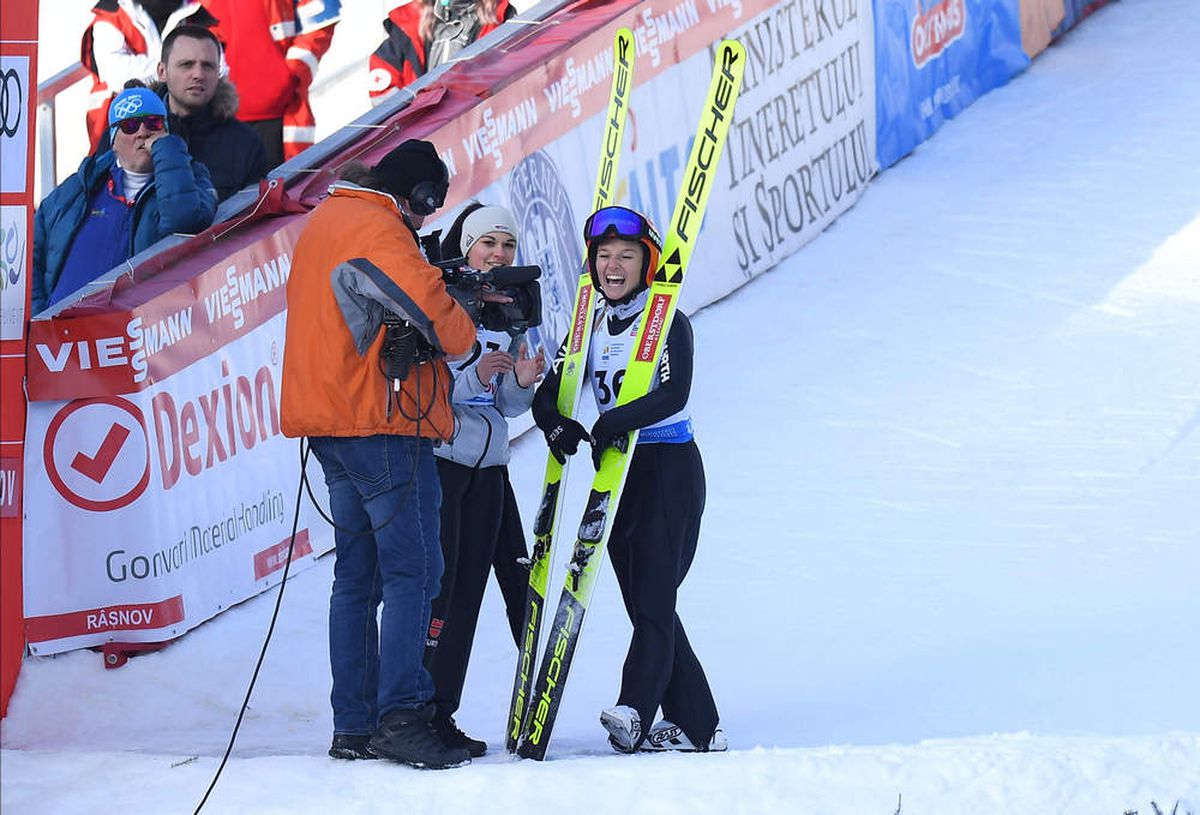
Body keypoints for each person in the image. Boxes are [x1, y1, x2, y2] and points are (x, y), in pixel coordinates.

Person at [280, 139, 481, 770]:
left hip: (334, 424)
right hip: (380, 422)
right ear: (416, 195)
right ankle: (403, 715)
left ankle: (356, 724)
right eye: (425, 211)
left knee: (357, 578)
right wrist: (465, 320)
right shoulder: (375, 226)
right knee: (413, 571)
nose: (422, 224)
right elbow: (442, 322)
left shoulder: (329, 218)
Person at [531, 205, 726, 754]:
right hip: (616, 476)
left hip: (668, 468)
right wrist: (557, 425)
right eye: (604, 256)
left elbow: (673, 392)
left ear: (648, 263)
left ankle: (635, 709)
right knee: (647, 603)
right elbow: (551, 391)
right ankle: (700, 726)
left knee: (655, 598)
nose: (613, 266)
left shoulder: (666, 323)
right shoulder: (587, 324)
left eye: (627, 256)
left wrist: (613, 419)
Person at [422, 203, 544, 758]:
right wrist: (475, 373)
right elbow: (427, 395)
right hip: (443, 465)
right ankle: (415, 707)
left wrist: (519, 381)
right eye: (488, 243)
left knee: (468, 594)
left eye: (507, 246)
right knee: (439, 595)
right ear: (466, 246)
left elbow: (508, 407)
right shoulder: (438, 298)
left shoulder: (514, 305)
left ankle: (442, 710)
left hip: (490, 470)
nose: (498, 255)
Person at [32, 83, 217, 314]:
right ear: (113, 140)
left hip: (132, 336)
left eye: (153, 123)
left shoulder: (192, 178)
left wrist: (167, 150)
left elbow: (183, 221)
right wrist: (38, 314)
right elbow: (32, 253)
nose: (142, 132)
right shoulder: (81, 186)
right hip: (62, 339)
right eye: (129, 125)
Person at [203, 0, 341, 165]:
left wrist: (292, 74)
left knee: (287, 185)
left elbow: (322, 16)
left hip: (282, 116)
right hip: (219, 117)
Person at [81, 0, 218, 152]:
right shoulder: (112, 13)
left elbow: (219, 69)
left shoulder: (195, 13)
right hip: (121, 131)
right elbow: (118, 73)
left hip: (193, 130)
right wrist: (176, 66)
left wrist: (175, 68)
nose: (195, 71)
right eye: (186, 64)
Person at [153, 25, 268, 201]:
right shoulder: (129, 133)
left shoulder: (246, 143)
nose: (198, 74)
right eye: (186, 65)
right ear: (162, 72)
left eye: (208, 66)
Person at [367, 0, 515, 106]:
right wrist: (413, 116)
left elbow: (517, 78)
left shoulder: (501, 19)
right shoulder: (410, 22)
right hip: (424, 135)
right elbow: (382, 92)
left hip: (480, 131)